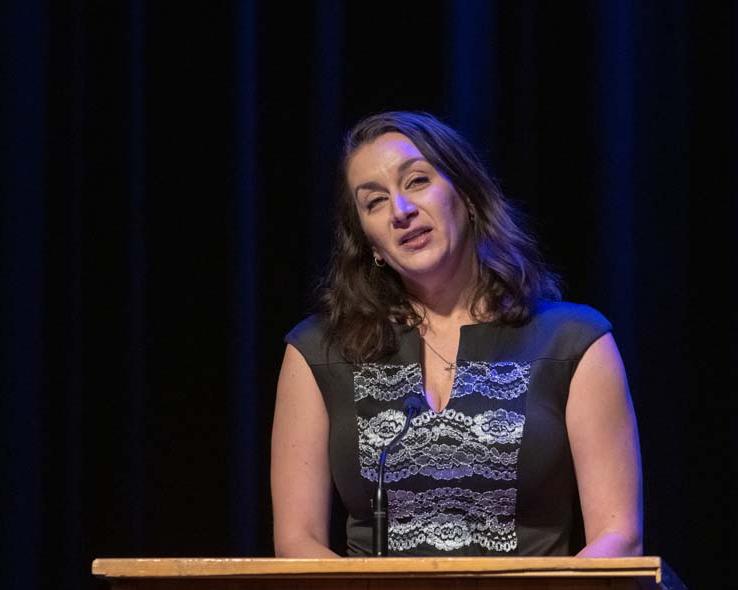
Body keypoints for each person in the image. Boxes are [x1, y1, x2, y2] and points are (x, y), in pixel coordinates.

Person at [271, 111, 642, 558]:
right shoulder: (318, 351)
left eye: (417, 182)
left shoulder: (573, 342)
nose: (402, 211)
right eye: (374, 202)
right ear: (370, 245)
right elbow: (297, 542)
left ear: (467, 197)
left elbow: (618, 536)